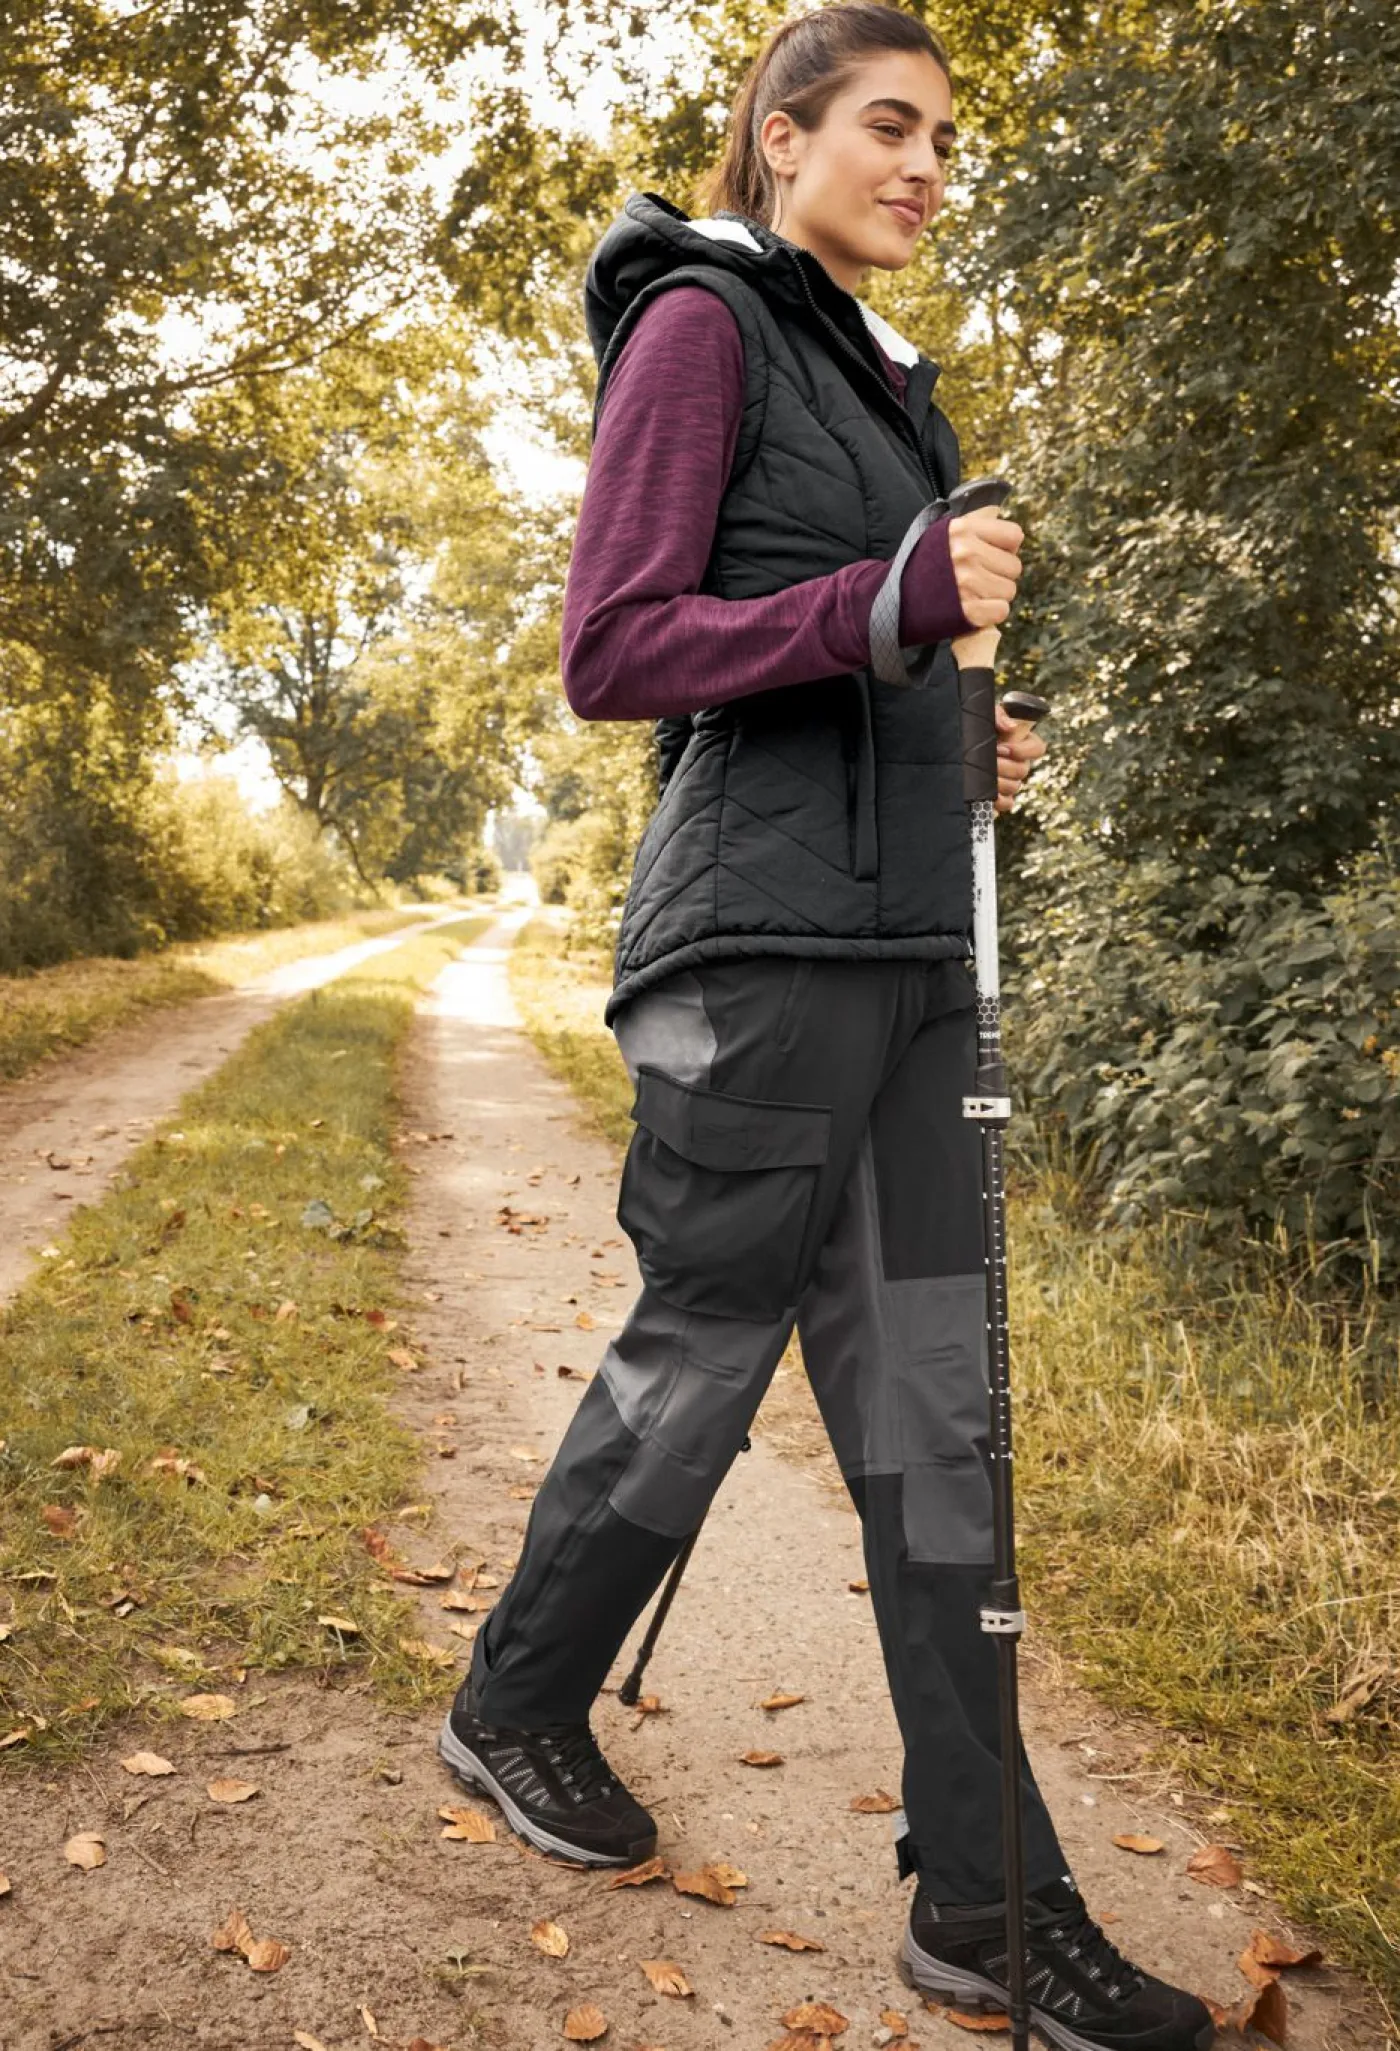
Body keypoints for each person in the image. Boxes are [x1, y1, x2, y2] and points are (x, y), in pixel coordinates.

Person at [440, 9, 1215, 2048]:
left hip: (912, 961)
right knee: (703, 1349)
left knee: (941, 1419)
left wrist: (959, 729)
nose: (926, 165)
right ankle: (517, 1695)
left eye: (944, 136)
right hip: (753, 953)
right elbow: (618, 646)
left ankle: (986, 1900)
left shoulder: (890, 386)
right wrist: (887, 611)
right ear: (780, 139)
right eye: (890, 123)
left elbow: (859, 646)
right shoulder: (701, 325)